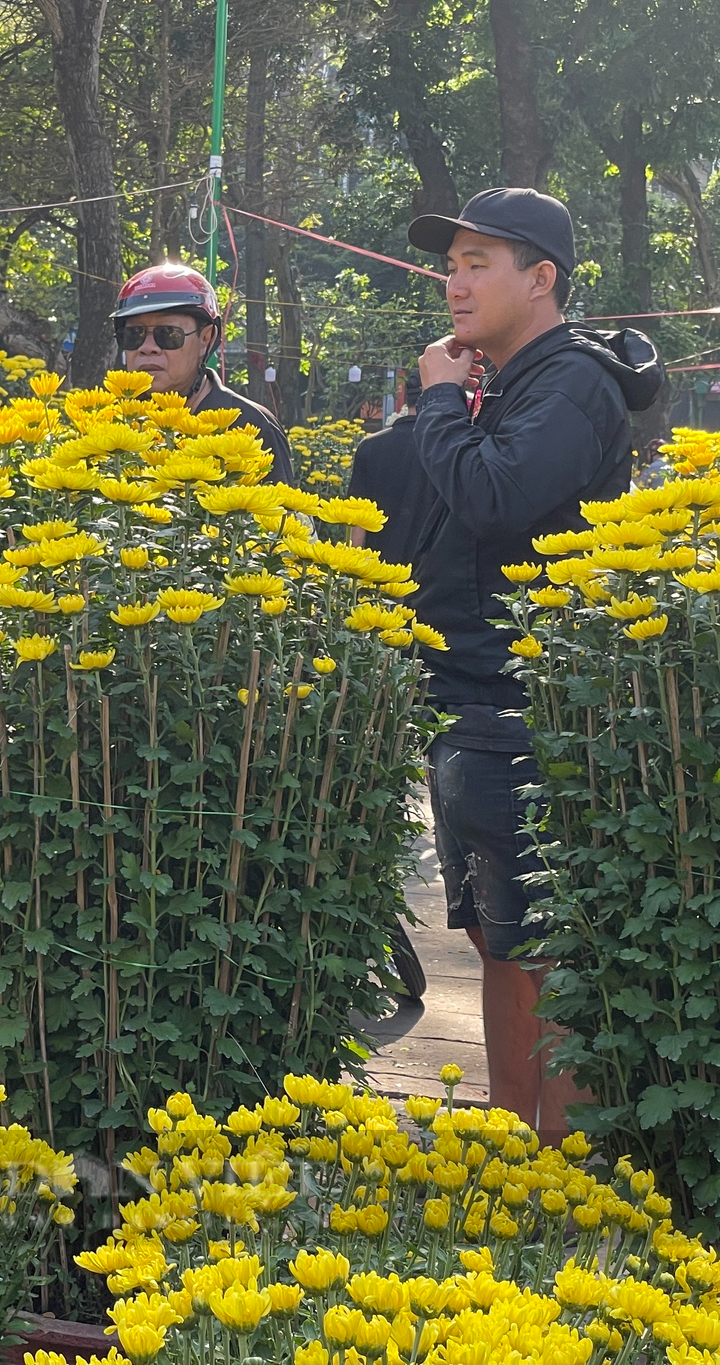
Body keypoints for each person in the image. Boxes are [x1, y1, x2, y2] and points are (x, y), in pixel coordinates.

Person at [405, 186, 660, 1140]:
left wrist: (436, 401)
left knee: (548, 946)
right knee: (496, 939)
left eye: (478, 264)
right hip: (467, 692)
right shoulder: (508, 381)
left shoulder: (572, 385)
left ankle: (568, 1177)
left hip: (527, 704)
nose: (454, 283)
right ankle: (518, 1152)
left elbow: (495, 497)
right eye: (451, 264)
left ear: (541, 279)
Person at [113, 262, 293, 484]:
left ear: (205, 338)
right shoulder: (111, 424)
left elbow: (280, 514)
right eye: (134, 334)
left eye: (168, 333)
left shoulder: (250, 424)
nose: (147, 347)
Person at [346, 368, 437, 565]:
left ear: (405, 397)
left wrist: (353, 575)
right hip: (430, 577)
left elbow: (357, 523)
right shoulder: (445, 449)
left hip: (377, 575)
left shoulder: (370, 447)